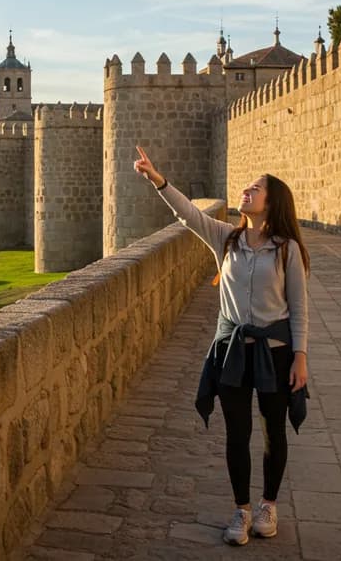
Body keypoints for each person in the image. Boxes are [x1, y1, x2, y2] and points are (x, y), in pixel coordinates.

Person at [133, 146, 310, 546]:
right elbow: (189, 215)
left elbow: (299, 308)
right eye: (248, 186)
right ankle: (241, 510)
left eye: (257, 188)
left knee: (272, 430)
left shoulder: (288, 249)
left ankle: (269, 506)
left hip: (276, 352)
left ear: (272, 201)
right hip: (231, 349)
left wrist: (300, 357)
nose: (248, 190)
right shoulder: (225, 239)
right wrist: (157, 179)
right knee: (236, 433)